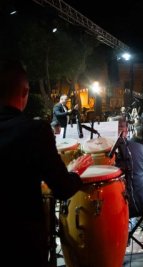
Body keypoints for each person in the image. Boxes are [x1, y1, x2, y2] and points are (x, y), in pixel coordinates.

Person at [0, 59, 93, 266]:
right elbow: (62, 188)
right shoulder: (35, 131)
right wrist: (76, 172)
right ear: (25, 93)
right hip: (22, 242)